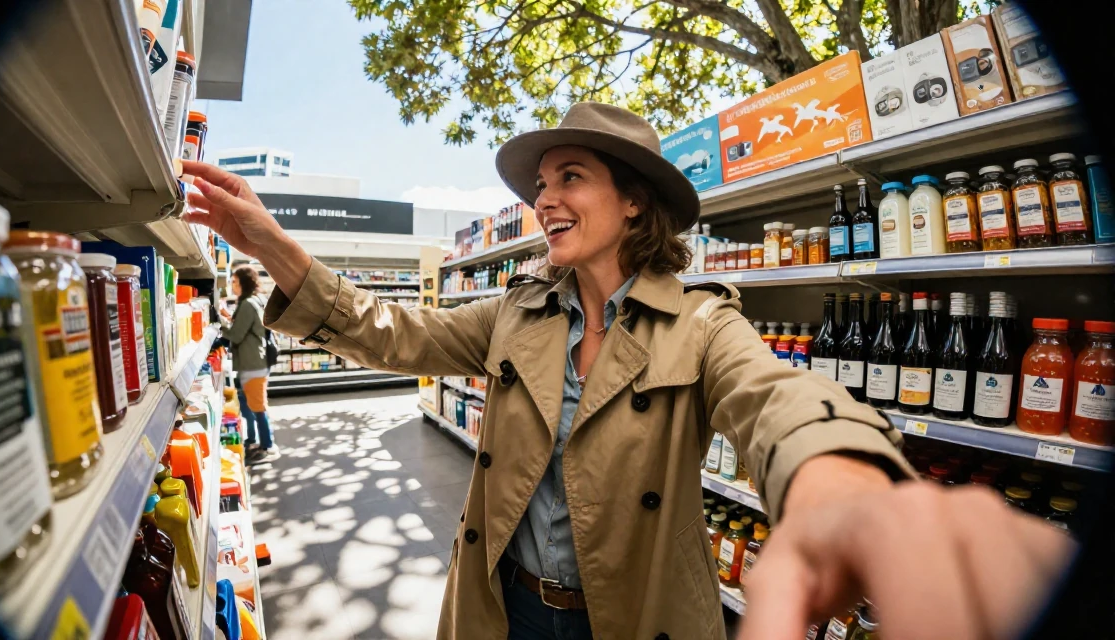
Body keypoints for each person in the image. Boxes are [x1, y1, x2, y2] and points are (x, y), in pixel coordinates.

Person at [180, 103, 1074, 640]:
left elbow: (780, 399)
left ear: (634, 201)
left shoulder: (700, 321)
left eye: (570, 177)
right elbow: (391, 332)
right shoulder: (515, 314)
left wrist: (845, 487)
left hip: (631, 616)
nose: (545, 199)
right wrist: (276, 249)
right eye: (538, 186)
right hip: (506, 609)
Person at [221, 265, 278, 465]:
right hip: (254, 361)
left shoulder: (247, 305)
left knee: (258, 407)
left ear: (243, 283)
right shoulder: (254, 301)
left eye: (234, 281)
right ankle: (253, 440)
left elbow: (236, 335)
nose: (232, 285)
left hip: (253, 364)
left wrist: (220, 323)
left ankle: (267, 446)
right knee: (249, 407)